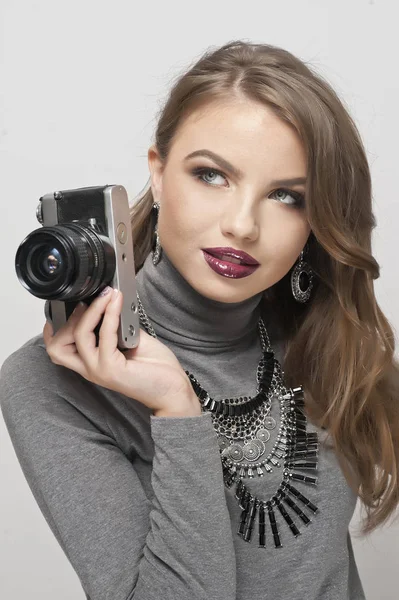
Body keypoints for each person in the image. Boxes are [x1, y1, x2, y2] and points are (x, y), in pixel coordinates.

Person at [1, 39, 398, 600]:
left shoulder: (327, 341)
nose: (242, 225)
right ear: (159, 177)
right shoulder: (49, 382)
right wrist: (177, 408)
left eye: (286, 196)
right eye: (212, 175)